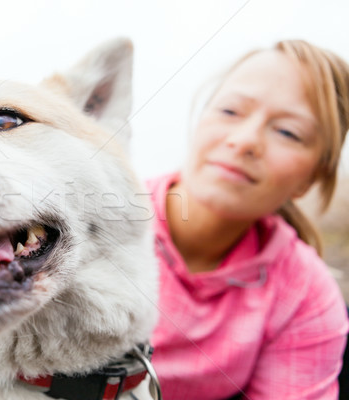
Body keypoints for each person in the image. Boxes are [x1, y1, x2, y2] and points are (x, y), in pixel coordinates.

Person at [147, 39, 349, 399]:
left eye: (288, 132)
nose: (244, 141)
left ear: (310, 179)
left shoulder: (305, 294)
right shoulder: (85, 224)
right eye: (229, 111)